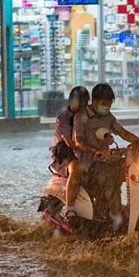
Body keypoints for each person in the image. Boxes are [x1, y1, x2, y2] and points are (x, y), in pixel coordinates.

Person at [72, 83, 139, 223]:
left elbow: (123, 133)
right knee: (111, 176)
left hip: (107, 161)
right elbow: (78, 142)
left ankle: (135, 209)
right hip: (89, 166)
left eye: (109, 104)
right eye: (104, 104)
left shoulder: (108, 117)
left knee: (135, 168)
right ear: (94, 101)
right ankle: (115, 217)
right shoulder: (81, 117)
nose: (107, 107)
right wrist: (97, 151)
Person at [49, 86, 90, 222]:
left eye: (85, 104)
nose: (82, 107)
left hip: (82, 149)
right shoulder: (64, 116)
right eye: (80, 104)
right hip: (64, 152)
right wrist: (93, 149)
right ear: (72, 101)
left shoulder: (87, 115)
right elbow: (70, 143)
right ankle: (69, 207)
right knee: (76, 169)